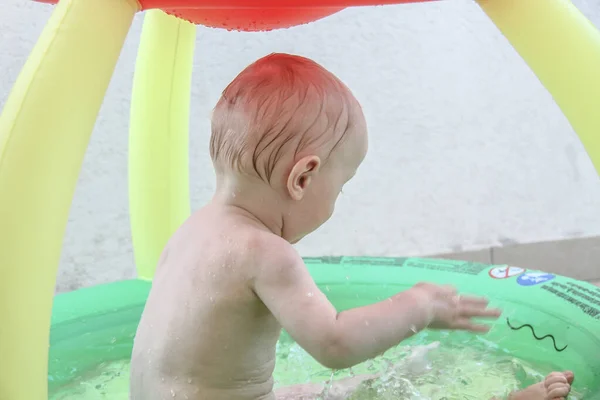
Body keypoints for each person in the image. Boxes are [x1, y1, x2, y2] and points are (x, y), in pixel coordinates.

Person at [129, 53, 573, 400]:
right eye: (342, 186)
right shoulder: (265, 253)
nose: (337, 200)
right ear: (302, 178)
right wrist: (418, 306)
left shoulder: (191, 234)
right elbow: (335, 344)